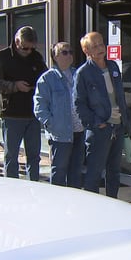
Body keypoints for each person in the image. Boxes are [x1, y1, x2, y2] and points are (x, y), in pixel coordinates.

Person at [0, 26, 47, 181]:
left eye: (31, 48)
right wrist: (14, 86)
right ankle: (11, 187)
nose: (28, 51)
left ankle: (34, 184)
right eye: (25, 48)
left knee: (34, 156)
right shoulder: (2, 57)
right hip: (12, 114)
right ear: (17, 41)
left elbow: (45, 79)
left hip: (32, 114)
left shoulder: (36, 57)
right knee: (11, 156)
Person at [74, 32, 131, 197]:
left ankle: (113, 203)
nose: (100, 48)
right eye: (95, 46)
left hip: (117, 127)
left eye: (101, 44)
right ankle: (93, 210)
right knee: (94, 173)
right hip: (100, 130)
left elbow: (119, 96)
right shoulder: (83, 73)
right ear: (87, 51)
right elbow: (79, 104)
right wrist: (96, 122)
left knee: (114, 171)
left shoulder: (113, 66)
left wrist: (125, 122)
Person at [34, 42, 85, 188]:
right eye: (64, 52)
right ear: (55, 56)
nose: (69, 55)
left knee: (76, 171)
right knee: (59, 170)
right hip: (60, 133)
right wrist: (51, 124)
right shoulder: (47, 78)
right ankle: (57, 204)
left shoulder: (78, 74)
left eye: (70, 52)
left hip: (79, 131)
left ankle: (74, 204)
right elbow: (39, 106)